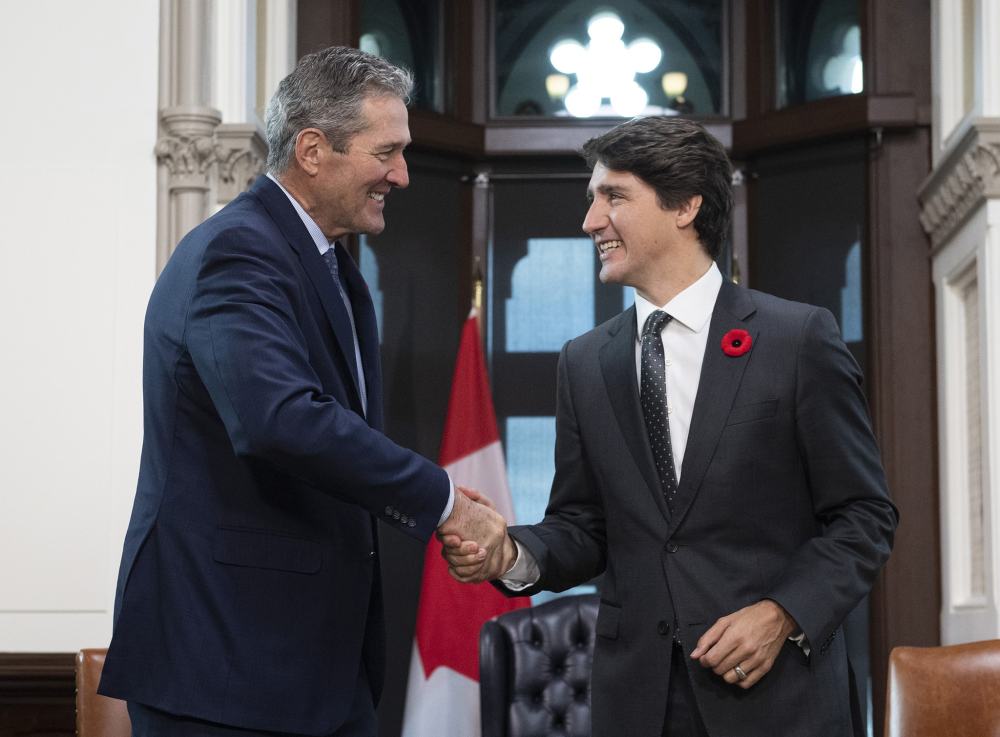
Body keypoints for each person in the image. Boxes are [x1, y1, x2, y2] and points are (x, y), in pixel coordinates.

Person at [442, 116, 898, 737]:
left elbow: (864, 516)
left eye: (615, 196)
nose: (590, 221)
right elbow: (584, 527)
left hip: (778, 700)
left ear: (686, 205)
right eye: (592, 200)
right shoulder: (584, 362)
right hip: (641, 704)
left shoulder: (796, 339)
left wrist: (783, 613)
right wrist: (510, 551)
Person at [99, 46, 504, 737]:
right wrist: (439, 500)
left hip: (308, 666)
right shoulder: (239, 251)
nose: (402, 175)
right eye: (387, 152)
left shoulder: (328, 265)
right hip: (228, 666)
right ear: (313, 150)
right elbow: (279, 419)